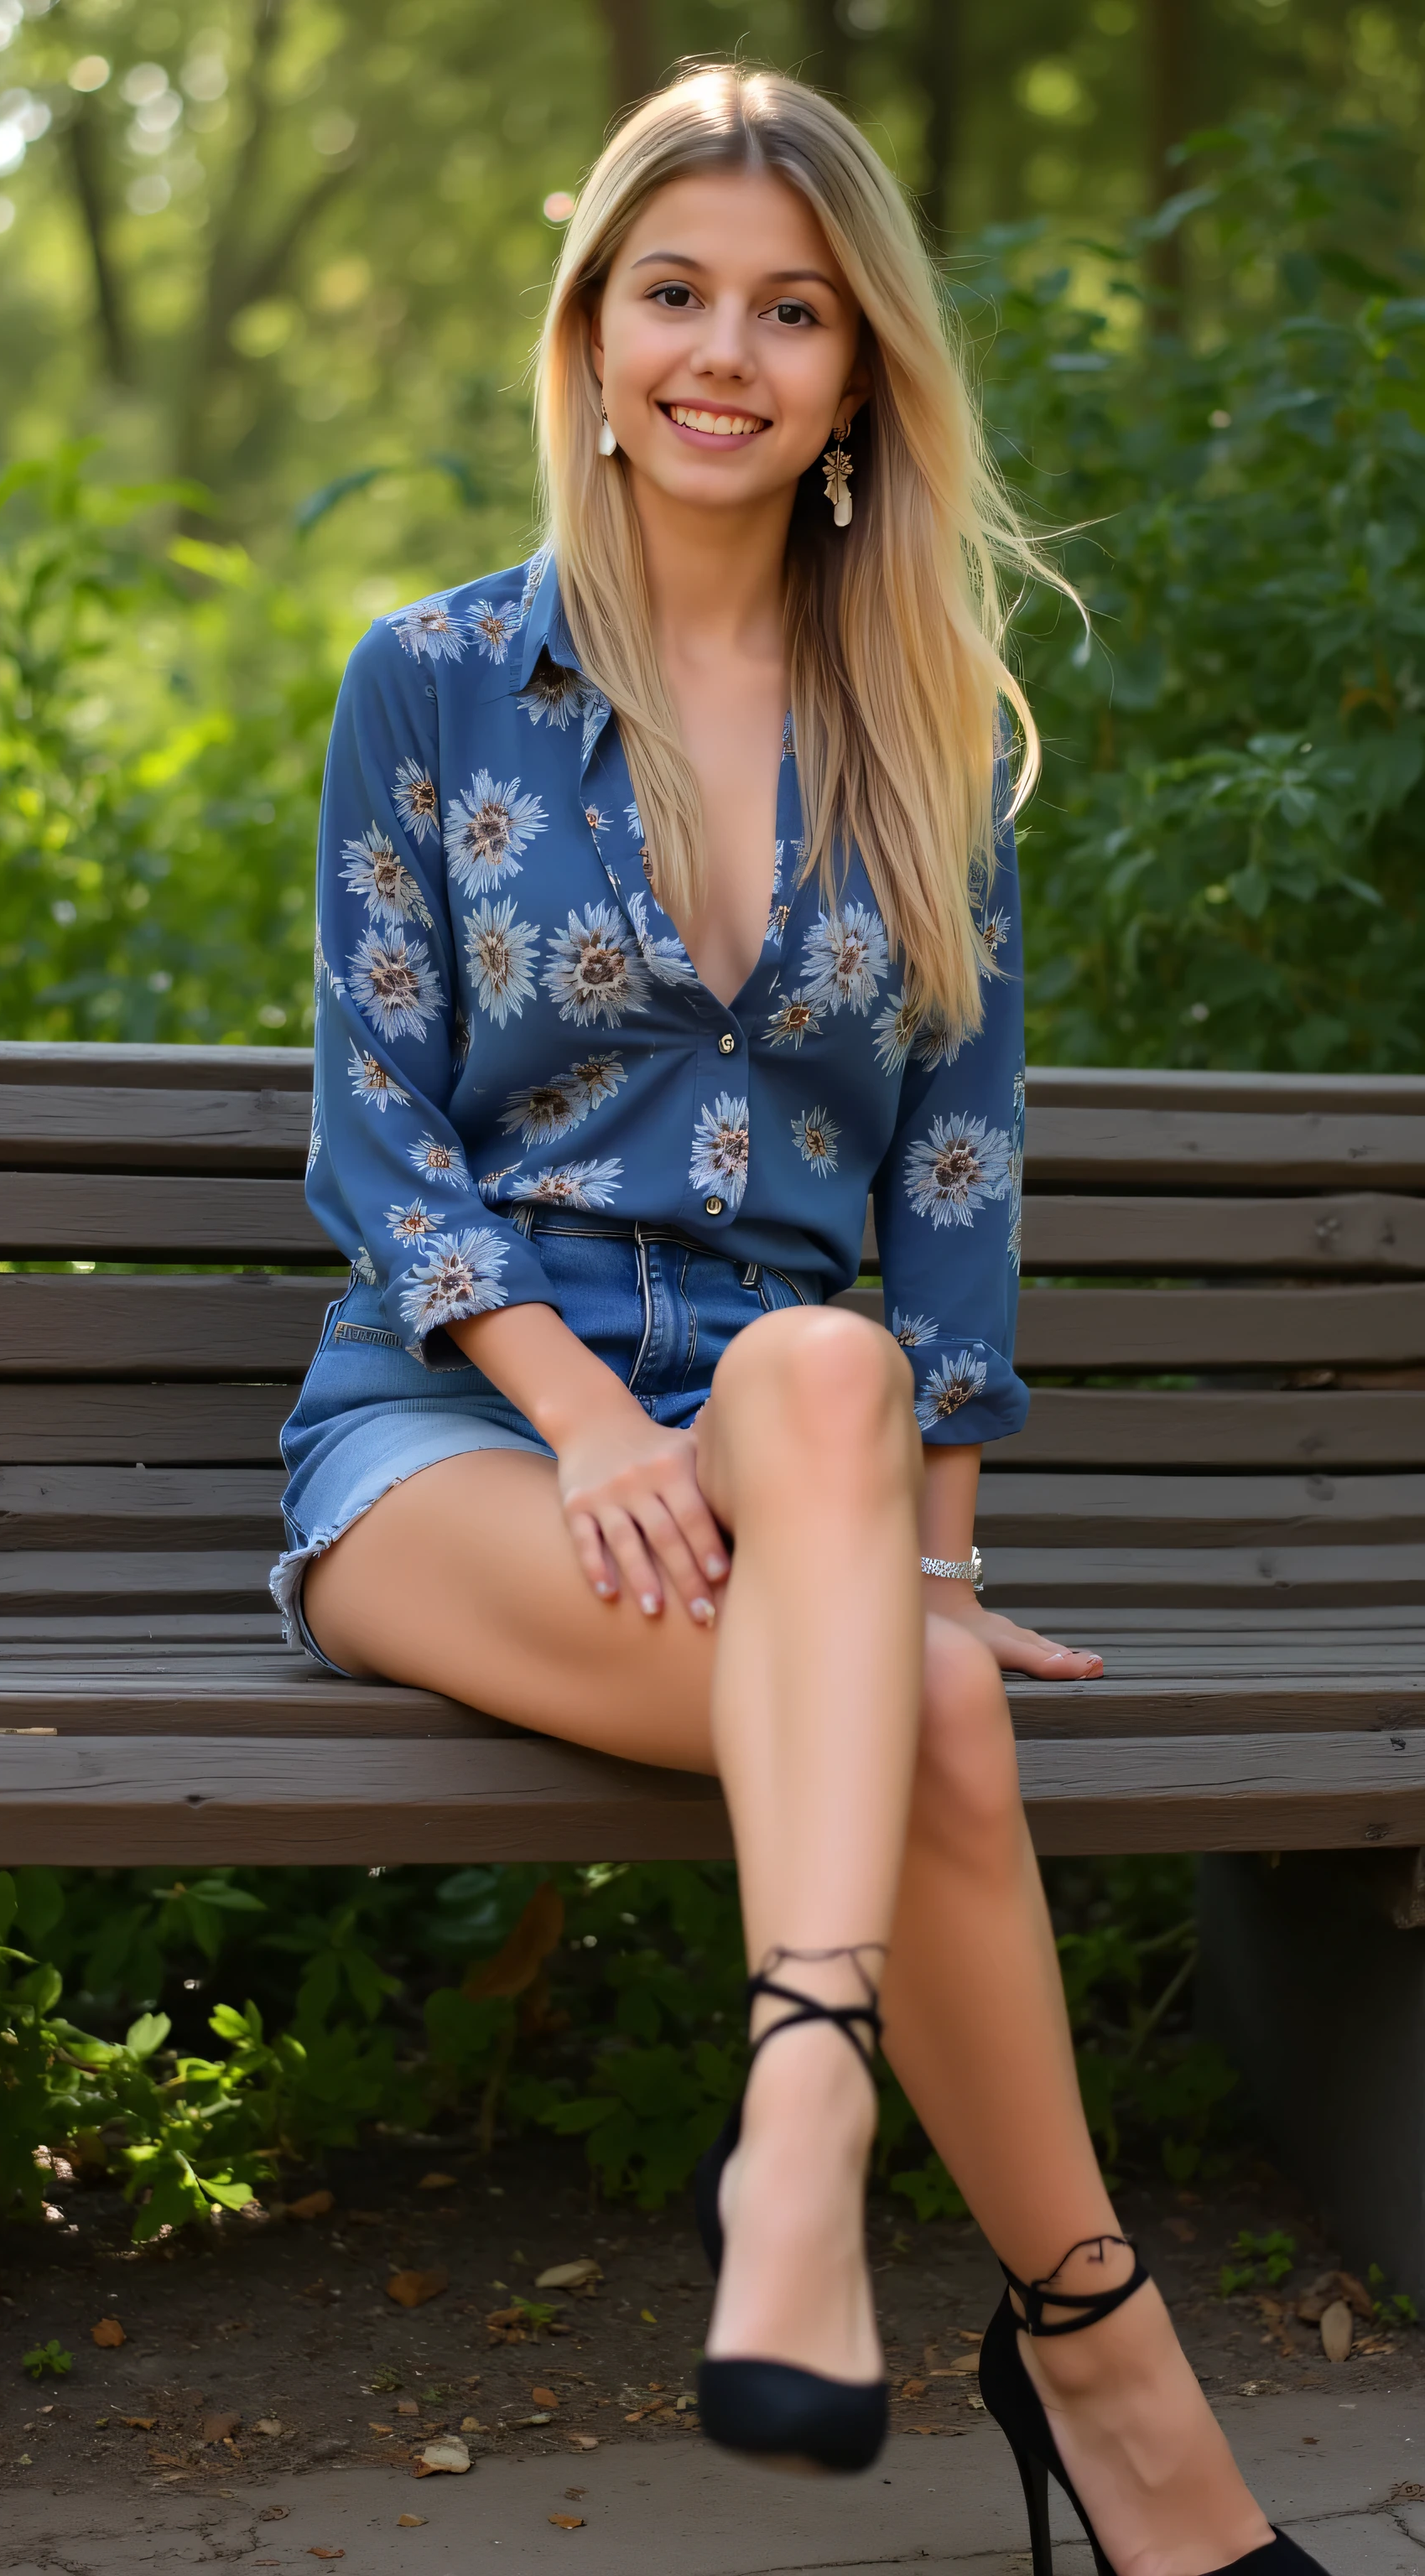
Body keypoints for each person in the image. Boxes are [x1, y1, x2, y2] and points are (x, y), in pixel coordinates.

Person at [271, 63, 1326, 2576]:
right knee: (928, 1714)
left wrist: (923, 1557)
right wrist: (569, 1414)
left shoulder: (924, 733)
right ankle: (1113, 2391)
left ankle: (815, 2129)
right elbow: (374, 1135)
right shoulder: (437, 680)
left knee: (830, 1371)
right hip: (448, 1437)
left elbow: (952, 1189)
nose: (722, 352)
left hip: (788, 1437)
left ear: (861, 374)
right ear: (592, 330)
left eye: (792, 309)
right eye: (675, 295)